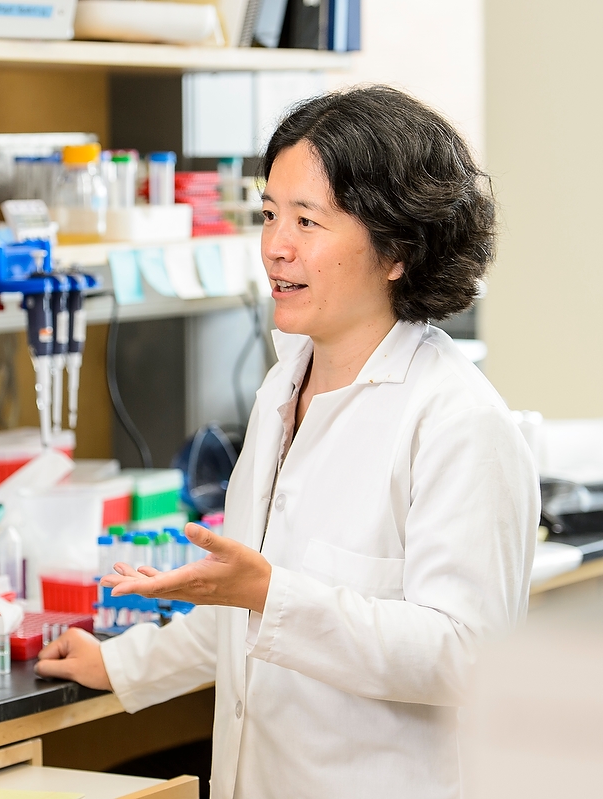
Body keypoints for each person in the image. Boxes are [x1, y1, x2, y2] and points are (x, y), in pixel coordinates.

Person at [36, 86, 539, 799]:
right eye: (270, 214)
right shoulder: (282, 389)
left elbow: (465, 654)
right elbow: (246, 611)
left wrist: (272, 594)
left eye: (308, 220)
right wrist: (119, 664)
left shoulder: (457, 421)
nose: (276, 245)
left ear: (397, 249)